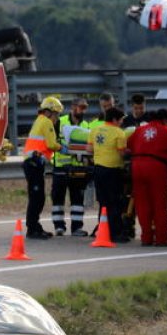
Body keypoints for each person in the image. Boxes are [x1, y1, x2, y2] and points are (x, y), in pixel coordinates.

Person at [127, 109, 167, 246]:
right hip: (156, 166)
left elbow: (129, 144)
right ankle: (161, 238)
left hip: (137, 166)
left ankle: (146, 237)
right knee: (159, 203)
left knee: (142, 203)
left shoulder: (140, 130)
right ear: (165, 120)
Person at [21, 97, 62, 239]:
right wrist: (62, 147)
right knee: (37, 198)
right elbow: (51, 144)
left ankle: (34, 227)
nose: (57, 117)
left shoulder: (39, 120)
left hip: (33, 162)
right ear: (49, 112)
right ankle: (32, 229)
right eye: (56, 114)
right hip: (34, 163)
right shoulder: (47, 122)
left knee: (36, 197)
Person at [52, 97, 92, 236]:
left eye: (85, 107)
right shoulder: (60, 122)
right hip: (61, 166)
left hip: (78, 167)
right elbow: (51, 141)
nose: (83, 110)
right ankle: (59, 226)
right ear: (73, 107)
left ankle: (76, 227)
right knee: (58, 198)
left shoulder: (86, 125)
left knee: (77, 199)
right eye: (81, 107)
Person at [88, 107, 128, 242]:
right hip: (113, 171)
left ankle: (102, 230)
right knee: (115, 202)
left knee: (103, 202)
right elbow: (122, 153)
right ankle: (115, 233)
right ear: (115, 119)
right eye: (121, 120)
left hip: (98, 169)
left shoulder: (95, 130)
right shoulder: (119, 133)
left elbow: (89, 149)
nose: (122, 122)